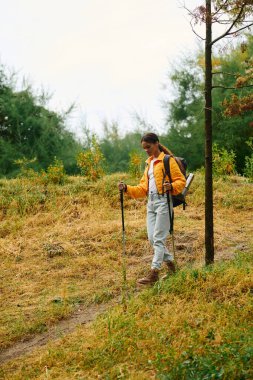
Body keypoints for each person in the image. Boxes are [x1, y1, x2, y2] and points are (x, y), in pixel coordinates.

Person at [118, 132, 186, 285]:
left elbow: (181, 181)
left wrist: (172, 186)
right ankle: (172, 267)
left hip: (164, 202)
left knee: (159, 238)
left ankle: (154, 272)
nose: (146, 150)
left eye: (148, 147)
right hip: (151, 203)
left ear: (156, 143)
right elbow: (143, 188)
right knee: (152, 238)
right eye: (144, 148)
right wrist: (127, 188)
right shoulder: (148, 164)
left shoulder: (168, 160)